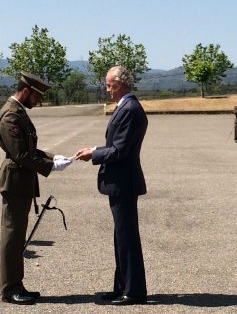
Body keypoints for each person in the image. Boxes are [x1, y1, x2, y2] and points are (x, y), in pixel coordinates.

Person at [0, 71, 72, 305]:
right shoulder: (11, 116)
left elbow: (27, 149)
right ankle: (10, 289)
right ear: (26, 91)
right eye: (37, 96)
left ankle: (17, 284)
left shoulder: (18, 112)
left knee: (18, 236)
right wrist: (50, 166)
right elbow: (20, 154)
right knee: (12, 236)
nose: (37, 101)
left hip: (21, 182)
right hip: (15, 182)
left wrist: (52, 157)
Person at [75, 65, 148, 306]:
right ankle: (122, 286)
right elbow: (116, 145)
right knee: (121, 236)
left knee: (127, 237)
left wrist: (93, 155)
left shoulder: (129, 108)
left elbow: (120, 150)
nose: (106, 89)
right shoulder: (125, 107)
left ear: (122, 83)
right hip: (120, 181)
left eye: (110, 84)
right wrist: (94, 149)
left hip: (123, 182)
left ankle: (134, 291)